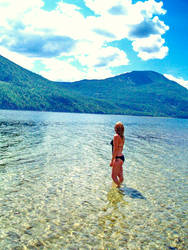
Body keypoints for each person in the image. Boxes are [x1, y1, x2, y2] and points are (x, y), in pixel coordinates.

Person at [110, 122, 125, 188]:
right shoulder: (122, 137)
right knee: (120, 175)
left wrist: (112, 160)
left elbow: (115, 149)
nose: (114, 128)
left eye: (115, 127)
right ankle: (120, 184)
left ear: (116, 129)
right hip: (121, 157)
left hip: (117, 158)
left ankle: (119, 187)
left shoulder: (116, 136)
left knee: (113, 176)